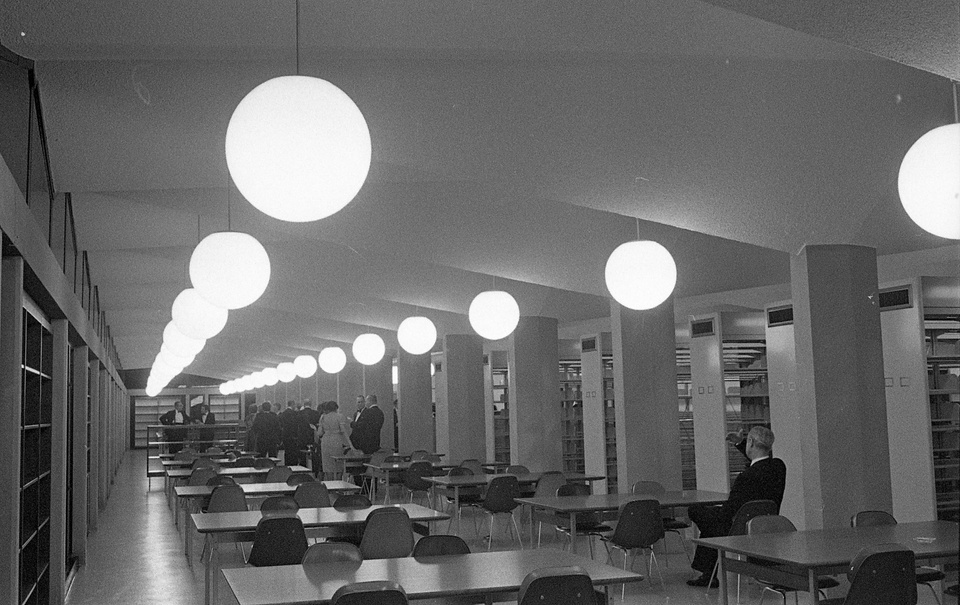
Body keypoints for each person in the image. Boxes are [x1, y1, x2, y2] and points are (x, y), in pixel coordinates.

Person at [686, 426, 786, 587]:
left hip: (738, 529)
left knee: (697, 512)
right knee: (712, 526)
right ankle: (707, 572)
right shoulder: (778, 467)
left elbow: (728, 512)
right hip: (765, 526)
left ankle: (707, 572)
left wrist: (714, 512)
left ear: (751, 442)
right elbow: (761, 463)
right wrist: (741, 443)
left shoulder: (745, 478)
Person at [316, 401, 355, 480]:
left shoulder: (323, 417)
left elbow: (319, 433)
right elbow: (343, 431)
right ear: (336, 408)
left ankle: (330, 486)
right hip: (337, 441)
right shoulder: (339, 416)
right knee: (338, 464)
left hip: (325, 441)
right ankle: (338, 484)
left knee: (328, 466)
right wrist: (350, 445)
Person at [299, 400, 321, 474]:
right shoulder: (316, 413)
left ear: (304, 404)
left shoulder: (299, 413)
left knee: (302, 456)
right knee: (314, 455)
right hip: (313, 437)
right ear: (311, 404)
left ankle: (303, 471)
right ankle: (315, 472)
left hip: (302, 438)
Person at [279, 400, 302, 466]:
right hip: (293, 436)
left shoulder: (283, 413)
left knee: (287, 451)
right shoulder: (294, 414)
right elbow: (296, 425)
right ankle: (293, 465)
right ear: (292, 404)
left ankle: (287, 464)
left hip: (285, 435)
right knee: (293, 452)